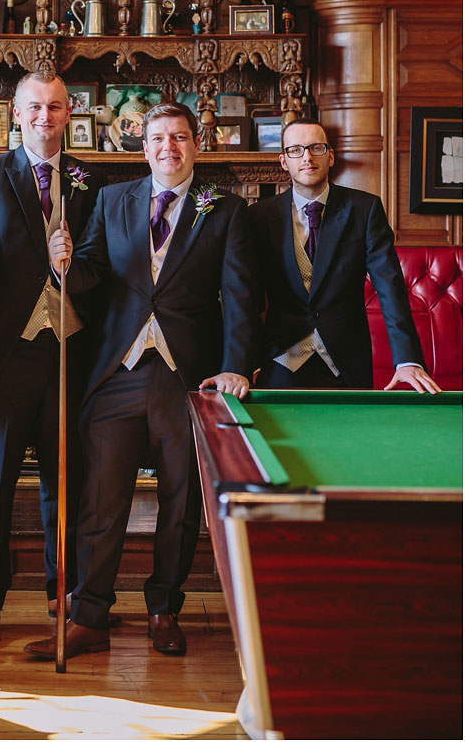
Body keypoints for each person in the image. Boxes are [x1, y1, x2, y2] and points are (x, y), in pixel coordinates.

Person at [23, 103, 256, 662]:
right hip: (117, 374)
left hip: (189, 380)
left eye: (179, 138)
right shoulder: (113, 199)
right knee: (100, 501)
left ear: (197, 145)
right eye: (157, 138)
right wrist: (64, 263)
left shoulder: (225, 211)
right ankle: (90, 615)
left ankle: (164, 609)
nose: (167, 148)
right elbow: (91, 276)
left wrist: (236, 366)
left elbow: (243, 298)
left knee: (180, 503)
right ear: (142, 145)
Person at [0, 74, 105, 645]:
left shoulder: (90, 180)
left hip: (69, 349)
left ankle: (59, 591)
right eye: (35, 107)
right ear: (16, 113)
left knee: (62, 482)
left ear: (71, 113)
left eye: (56, 106)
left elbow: (101, 267)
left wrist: (71, 265)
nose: (46, 116)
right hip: (4, 352)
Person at [248, 118, 439, 392]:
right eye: (296, 150)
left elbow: (390, 288)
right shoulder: (258, 217)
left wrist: (407, 360)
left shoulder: (365, 210)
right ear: (283, 161)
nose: (307, 157)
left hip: (347, 363)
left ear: (331, 156)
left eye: (317, 148)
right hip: (280, 359)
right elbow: (245, 296)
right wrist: (241, 364)